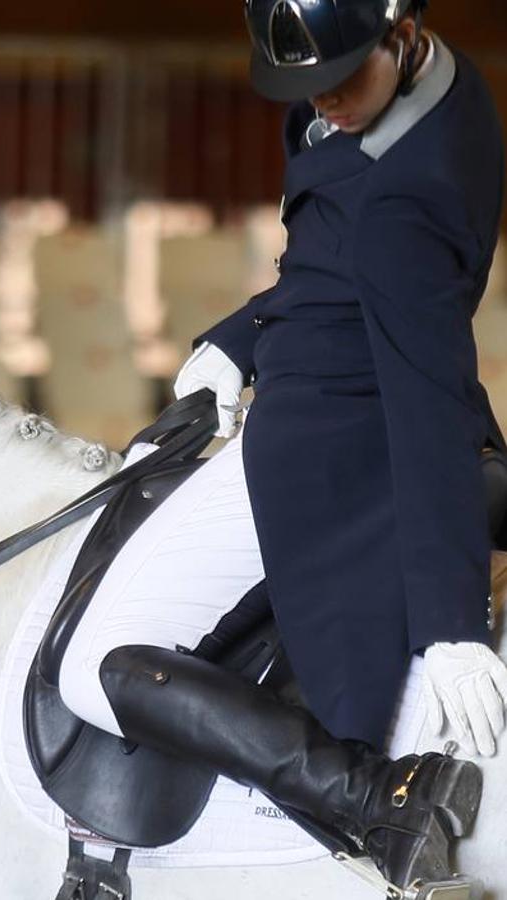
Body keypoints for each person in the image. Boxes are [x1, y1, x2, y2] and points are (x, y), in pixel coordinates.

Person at [55, 0, 507, 892]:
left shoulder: (406, 195)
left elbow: (422, 400)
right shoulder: (432, 85)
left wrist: (451, 622)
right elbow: (328, 267)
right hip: (316, 388)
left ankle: (375, 799)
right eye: (311, 85)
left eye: (340, 80)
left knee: (94, 668)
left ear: (401, 33)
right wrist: (241, 339)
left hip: (335, 454)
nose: (325, 103)